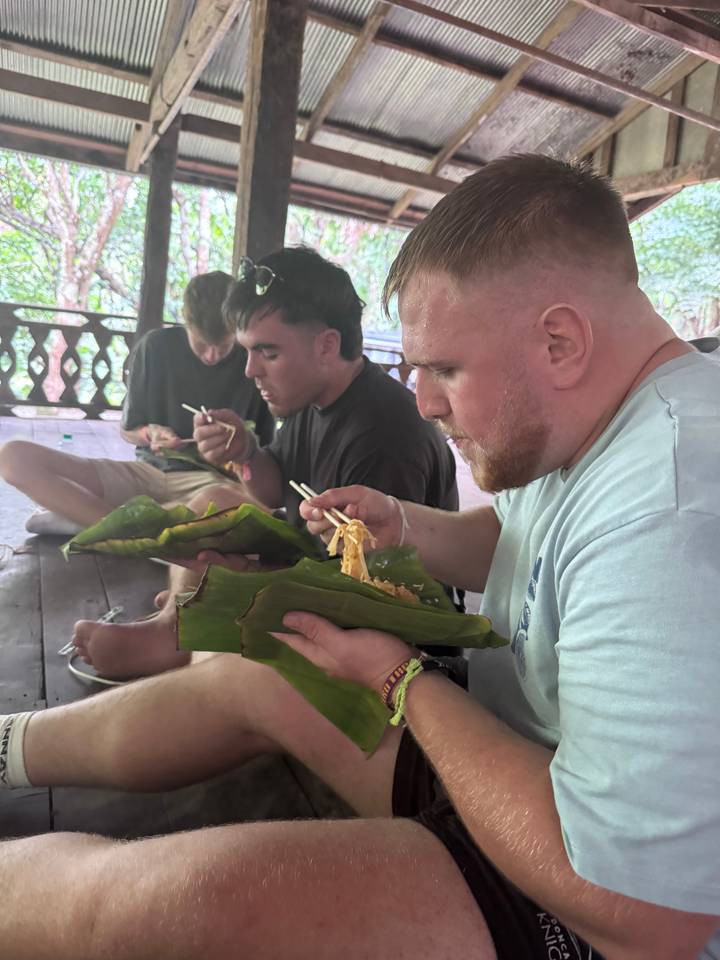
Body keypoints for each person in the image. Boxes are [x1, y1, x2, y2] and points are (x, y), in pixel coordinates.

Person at [0, 155, 718, 960]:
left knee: (163, 907)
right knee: (256, 669)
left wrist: (400, 680)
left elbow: (644, 911)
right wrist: (406, 527)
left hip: (594, 899)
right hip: (515, 758)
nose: (424, 401)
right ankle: (6, 748)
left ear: (560, 340)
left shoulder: (676, 504)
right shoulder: (597, 419)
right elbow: (522, 542)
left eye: (445, 369)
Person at [71, 246, 458, 678]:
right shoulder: (312, 398)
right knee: (215, 499)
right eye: (248, 352)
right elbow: (274, 489)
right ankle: (173, 625)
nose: (249, 370)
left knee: (217, 660)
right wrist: (245, 453)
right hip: (314, 568)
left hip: (391, 638)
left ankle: (181, 631)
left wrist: (254, 574)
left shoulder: (384, 433)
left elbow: (370, 596)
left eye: (267, 353)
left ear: (327, 345)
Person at [0, 271, 274, 535]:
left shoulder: (253, 363)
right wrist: (150, 433)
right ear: (186, 324)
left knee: (253, 508)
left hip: (212, 484)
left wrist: (238, 449)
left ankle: (98, 522)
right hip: (147, 473)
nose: (212, 356)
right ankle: (152, 528)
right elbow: (128, 430)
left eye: (223, 346)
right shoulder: (155, 347)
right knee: (14, 457)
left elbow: (264, 459)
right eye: (201, 345)